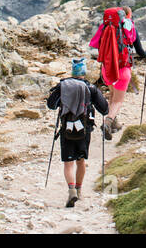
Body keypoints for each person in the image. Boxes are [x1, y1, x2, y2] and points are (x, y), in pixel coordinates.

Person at [46, 58, 109, 207]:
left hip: (67, 127)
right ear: (84, 72)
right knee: (81, 161)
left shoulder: (63, 86)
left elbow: (51, 105)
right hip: (84, 129)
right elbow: (104, 109)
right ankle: (79, 190)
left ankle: (71, 190)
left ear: (73, 71)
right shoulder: (90, 88)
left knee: (68, 163)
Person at [88, 5, 146, 140]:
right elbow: (140, 51)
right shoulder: (129, 26)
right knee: (118, 100)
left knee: (112, 94)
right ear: (127, 15)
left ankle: (114, 124)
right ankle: (108, 121)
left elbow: (96, 44)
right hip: (122, 69)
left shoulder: (106, 27)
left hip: (107, 68)